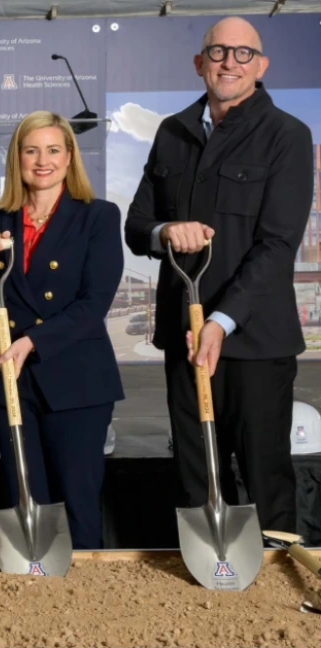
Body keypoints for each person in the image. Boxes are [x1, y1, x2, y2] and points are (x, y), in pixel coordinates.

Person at [125, 16, 313, 534]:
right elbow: (136, 225)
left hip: (254, 342)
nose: (230, 62)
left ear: (261, 65)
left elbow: (278, 246)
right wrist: (167, 232)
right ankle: (210, 583)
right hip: (185, 337)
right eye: (218, 51)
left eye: (243, 53)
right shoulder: (172, 133)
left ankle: (273, 579)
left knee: (264, 475)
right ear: (200, 62)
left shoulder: (287, 136)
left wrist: (221, 320)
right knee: (196, 473)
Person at [0, 110, 124, 549]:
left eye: (52, 150)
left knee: (77, 502)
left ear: (69, 157)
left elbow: (93, 305)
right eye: (31, 150)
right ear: (17, 158)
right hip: (13, 382)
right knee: (25, 499)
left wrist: (33, 340)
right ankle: (34, 598)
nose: (42, 160)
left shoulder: (99, 216)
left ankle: (87, 601)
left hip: (77, 381)